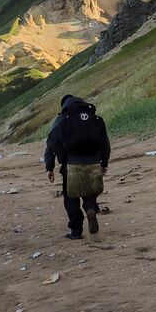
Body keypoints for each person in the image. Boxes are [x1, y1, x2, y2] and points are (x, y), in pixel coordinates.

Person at [45, 95, 111, 239]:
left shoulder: (62, 119)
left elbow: (51, 143)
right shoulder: (96, 119)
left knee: (71, 199)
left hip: (71, 165)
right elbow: (105, 143)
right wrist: (104, 163)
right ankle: (90, 208)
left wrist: (50, 166)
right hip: (93, 162)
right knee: (90, 192)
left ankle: (76, 231)